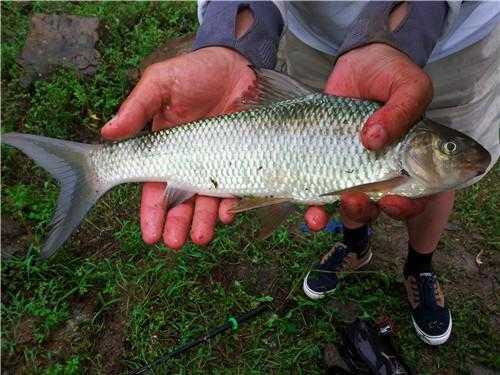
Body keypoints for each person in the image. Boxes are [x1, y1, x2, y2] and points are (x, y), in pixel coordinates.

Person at [100, 1, 499, 346]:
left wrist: (413, 21)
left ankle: (420, 265)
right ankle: (354, 246)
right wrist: (235, 35)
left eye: (448, 147)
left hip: (454, 38)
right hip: (312, 32)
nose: (454, 152)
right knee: (366, 200)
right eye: (448, 147)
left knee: (428, 189)